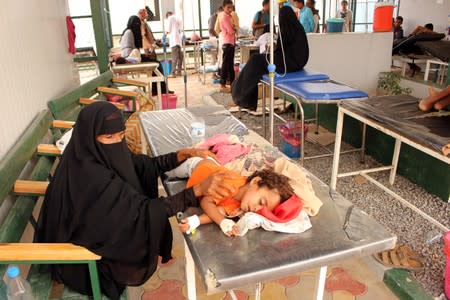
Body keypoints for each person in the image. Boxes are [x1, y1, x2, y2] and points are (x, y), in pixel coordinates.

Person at [36, 102, 240, 299]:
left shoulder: (92, 152)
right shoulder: (90, 175)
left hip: (99, 224)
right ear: (90, 137)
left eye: (121, 135)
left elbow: (141, 166)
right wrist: (196, 190)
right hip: (85, 258)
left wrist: (183, 154)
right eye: (109, 136)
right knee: (136, 245)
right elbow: (142, 212)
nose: (118, 142)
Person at [172, 158, 295, 236]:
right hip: (195, 165)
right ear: (255, 182)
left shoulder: (240, 205)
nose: (257, 209)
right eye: (261, 202)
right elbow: (206, 202)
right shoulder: (231, 183)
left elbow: (217, 212)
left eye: (262, 209)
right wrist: (222, 221)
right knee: (169, 172)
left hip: (204, 177)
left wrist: (195, 221)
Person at [232, 5, 309, 111]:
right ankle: (243, 97)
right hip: (295, 63)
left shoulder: (288, 28)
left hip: (289, 64)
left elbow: (283, 49)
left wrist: (274, 47)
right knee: (256, 63)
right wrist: (275, 47)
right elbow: (286, 48)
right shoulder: (297, 28)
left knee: (255, 61)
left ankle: (241, 97)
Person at [119, 15, 172, 95]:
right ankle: (160, 90)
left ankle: (159, 90)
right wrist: (143, 56)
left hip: (131, 57)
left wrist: (143, 55)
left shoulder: (127, 31)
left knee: (155, 62)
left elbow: (133, 50)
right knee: (157, 64)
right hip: (130, 58)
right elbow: (131, 52)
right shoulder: (129, 32)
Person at [218, 0, 237, 93]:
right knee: (226, 64)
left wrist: (234, 28)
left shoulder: (229, 16)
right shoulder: (224, 18)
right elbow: (231, 31)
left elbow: (232, 29)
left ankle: (232, 82)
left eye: (231, 7)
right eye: (228, 7)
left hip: (231, 42)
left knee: (230, 64)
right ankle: (222, 83)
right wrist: (234, 29)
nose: (230, 9)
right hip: (227, 43)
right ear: (223, 7)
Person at [166, 11, 184, 78]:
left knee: (175, 57)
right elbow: (181, 28)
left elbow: (168, 29)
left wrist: (165, 35)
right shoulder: (178, 18)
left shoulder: (170, 18)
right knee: (180, 57)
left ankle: (173, 73)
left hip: (174, 41)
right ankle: (179, 72)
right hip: (178, 40)